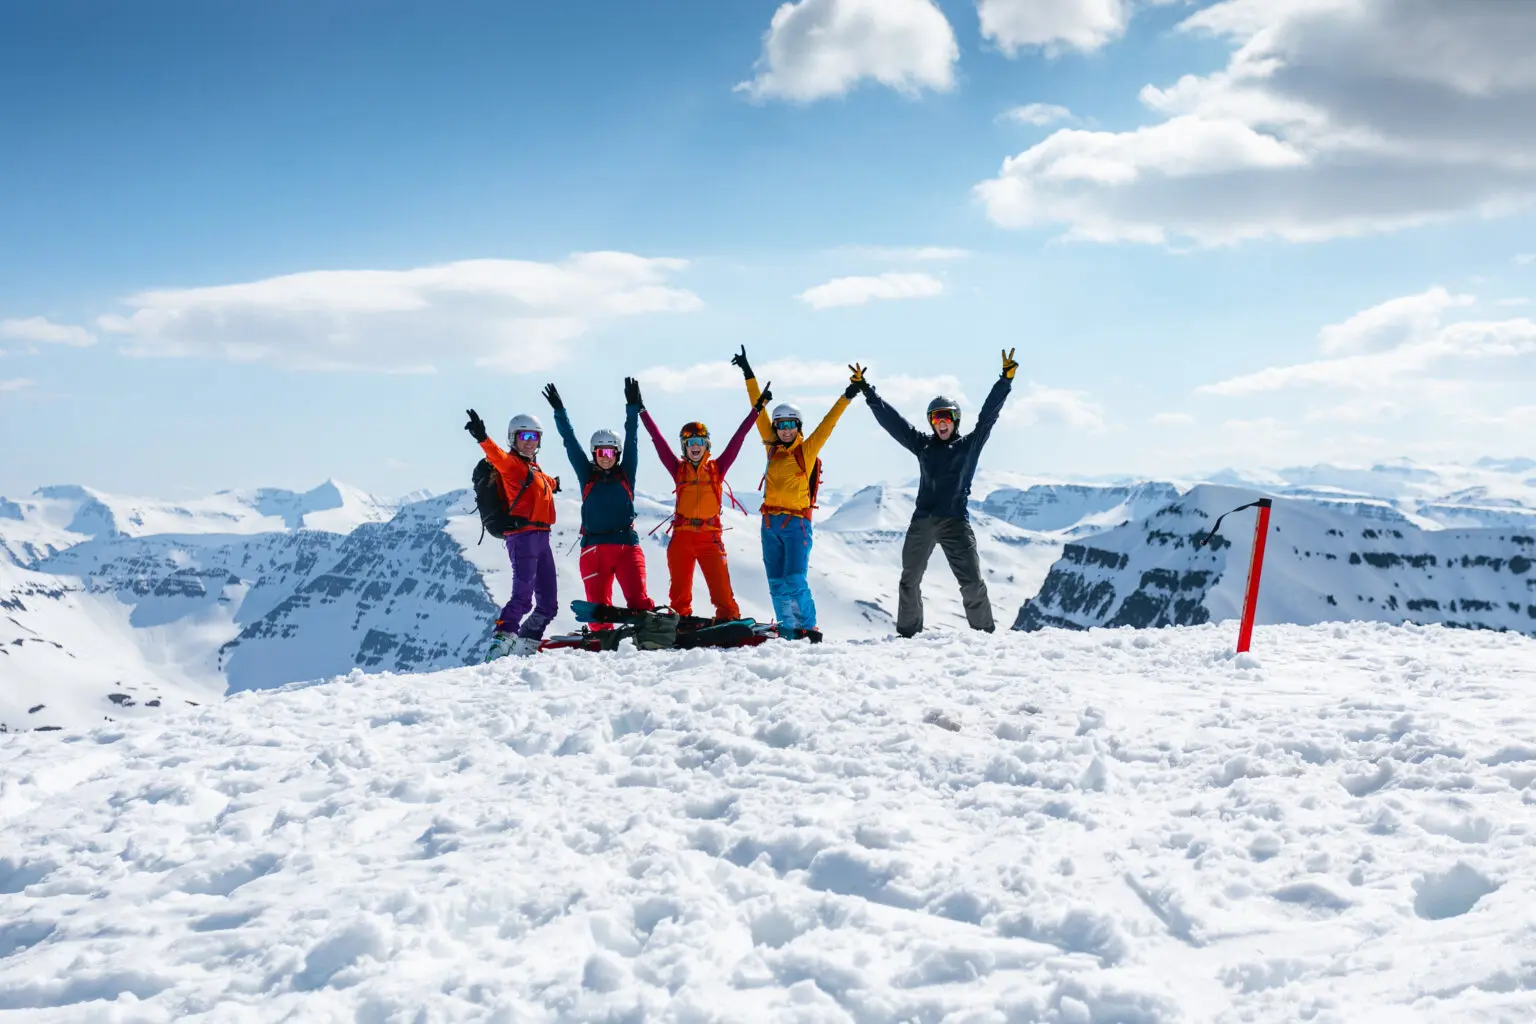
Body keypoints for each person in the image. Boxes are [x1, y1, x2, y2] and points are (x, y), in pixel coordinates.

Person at [854, 348, 1018, 638]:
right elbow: (895, 424)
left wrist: (1004, 381)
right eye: (936, 418)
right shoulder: (923, 446)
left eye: (946, 417)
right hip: (923, 522)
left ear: (955, 420)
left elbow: (988, 416)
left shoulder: (969, 445)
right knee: (909, 580)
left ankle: (984, 636)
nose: (941, 422)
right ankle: (908, 634)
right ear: (932, 422)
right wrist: (869, 393)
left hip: (955, 521)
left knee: (971, 583)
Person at [733, 345, 860, 642]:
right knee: (776, 582)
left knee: (795, 579)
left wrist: (849, 394)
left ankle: (808, 626)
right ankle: (788, 628)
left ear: (798, 426)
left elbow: (828, 424)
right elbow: (758, 412)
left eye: (790, 424)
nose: (785, 430)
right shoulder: (772, 448)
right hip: (770, 525)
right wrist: (748, 373)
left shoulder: (806, 451)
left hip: (796, 525)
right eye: (780, 425)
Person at [637, 376, 770, 624]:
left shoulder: (717, 469)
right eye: (690, 443)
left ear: (706, 444)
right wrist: (642, 411)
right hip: (682, 538)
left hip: (710, 538)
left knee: (723, 594)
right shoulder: (678, 470)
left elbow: (738, 439)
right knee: (680, 595)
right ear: (684, 447)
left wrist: (757, 410)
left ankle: (729, 621)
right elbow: (658, 441)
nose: (695, 447)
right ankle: (680, 625)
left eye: (699, 442)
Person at [542, 378, 653, 628]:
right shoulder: (587, 475)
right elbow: (570, 442)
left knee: (638, 601)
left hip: (627, 548)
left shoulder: (627, 474)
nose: (606, 457)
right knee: (599, 608)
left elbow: (632, 437)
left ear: (618, 454)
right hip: (594, 551)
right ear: (594, 453)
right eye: (601, 452)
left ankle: (649, 635)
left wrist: (632, 408)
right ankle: (601, 646)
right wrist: (559, 412)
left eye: (611, 452)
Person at [464, 407, 561, 658]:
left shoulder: (534, 469)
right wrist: (482, 437)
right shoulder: (511, 466)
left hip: (542, 538)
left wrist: (555, 484)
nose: (529, 442)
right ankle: (501, 641)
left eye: (534, 437)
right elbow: (496, 456)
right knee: (523, 597)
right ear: (512, 438)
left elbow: (544, 481)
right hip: (523, 537)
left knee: (548, 604)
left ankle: (526, 643)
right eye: (524, 437)